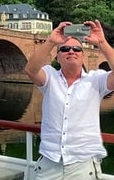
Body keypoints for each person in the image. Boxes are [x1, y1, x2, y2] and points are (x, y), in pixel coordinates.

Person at [24, 20, 114, 180]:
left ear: (82, 56)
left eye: (76, 49)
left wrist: (101, 42)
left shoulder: (96, 79)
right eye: (64, 49)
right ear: (57, 57)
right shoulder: (49, 76)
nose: (71, 51)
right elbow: (30, 70)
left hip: (83, 164)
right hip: (50, 162)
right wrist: (51, 41)